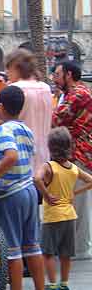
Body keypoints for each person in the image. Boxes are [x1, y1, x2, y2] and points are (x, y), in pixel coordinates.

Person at [0, 86, 44, 290]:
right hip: (29, 190)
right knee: (32, 246)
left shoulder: (5, 129)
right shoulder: (25, 128)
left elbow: (11, 156)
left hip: (10, 193)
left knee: (13, 250)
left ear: (1, 106)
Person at [34, 127, 92, 290]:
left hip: (52, 216)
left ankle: (52, 284)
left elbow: (36, 179)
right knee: (66, 254)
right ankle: (64, 283)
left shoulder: (48, 166)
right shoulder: (73, 168)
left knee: (48, 253)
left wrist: (46, 194)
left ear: (50, 147)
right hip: (69, 216)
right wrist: (75, 192)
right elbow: (91, 180)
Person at [52, 60, 92, 259]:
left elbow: (57, 118)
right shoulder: (70, 94)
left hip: (80, 154)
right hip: (73, 153)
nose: (54, 78)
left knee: (79, 201)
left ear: (69, 74)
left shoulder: (78, 94)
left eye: (57, 74)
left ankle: (80, 247)